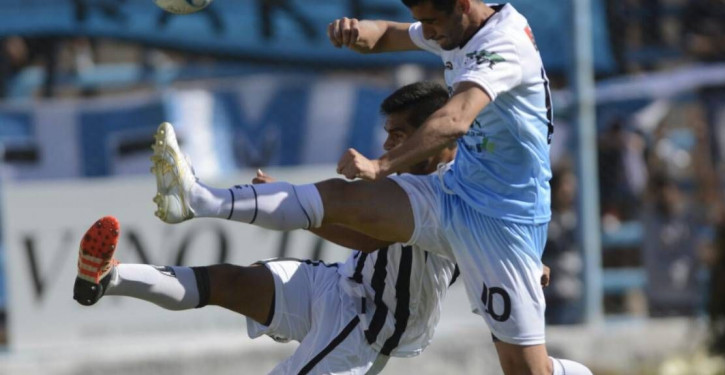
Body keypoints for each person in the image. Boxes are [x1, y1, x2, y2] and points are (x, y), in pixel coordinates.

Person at [146, 1, 591, 373]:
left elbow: (455, 120)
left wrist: (382, 165)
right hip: (453, 191)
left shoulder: (503, 45)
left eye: (433, 22)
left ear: (462, 5)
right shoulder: (454, 24)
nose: (430, 32)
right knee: (343, 199)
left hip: (502, 223)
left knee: (526, 370)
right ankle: (199, 197)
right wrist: (358, 32)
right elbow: (391, 34)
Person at [76, 82, 550, 374]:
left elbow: (368, 234)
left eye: (399, 135)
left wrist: (527, 263)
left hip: (368, 327)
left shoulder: (450, 194)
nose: (388, 143)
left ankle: (198, 199)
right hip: (340, 286)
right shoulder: (412, 179)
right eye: (387, 133)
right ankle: (107, 278)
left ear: (437, 135)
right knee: (228, 281)